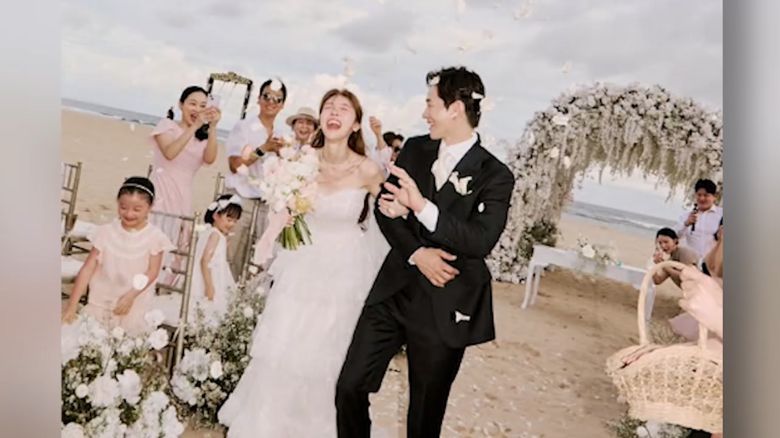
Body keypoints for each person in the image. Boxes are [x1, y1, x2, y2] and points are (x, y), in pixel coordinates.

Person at [336, 66, 515, 438]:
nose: (424, 113)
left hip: (447, 302)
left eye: (431, 104)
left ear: (455, 109)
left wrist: (420, 207)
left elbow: (480, 240)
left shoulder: (496, 175)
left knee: (423, 419)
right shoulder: (416, 149)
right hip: (393, 291)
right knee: (349, 387)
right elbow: (385, 209)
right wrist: (417, 253)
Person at [218, 89, 391, 437]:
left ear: (355, 123)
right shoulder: (301, 161)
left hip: (344, 270)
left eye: (344, 109)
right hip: (302, 264)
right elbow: (285, 207)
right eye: (329, 107)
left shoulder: (368, 169)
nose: (334, 113)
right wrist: (270, 237)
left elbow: (388, 218)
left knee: (328, 350)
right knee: (286, 345)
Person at [61, 177, 175, 336]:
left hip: (132, 306)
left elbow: (152, 272)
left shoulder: (155, 238)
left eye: (137, 209)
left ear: (150, 207)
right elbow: (87, 269)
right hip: (99, 305)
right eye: (123, 207)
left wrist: (130, 296)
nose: (129, 214)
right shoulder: (105, 232)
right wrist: (72, 306)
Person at [223, 78, 288, 279]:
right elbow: (235, 165)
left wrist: (281, 155)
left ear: (282, 105)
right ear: (259, 99)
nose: (271, 102)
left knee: (259, 262)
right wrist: (263, 149)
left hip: (266, 205)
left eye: (277, 99)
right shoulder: (244, 127)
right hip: (241, 199)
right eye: (267, 96)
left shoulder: (280, 134)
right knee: (230, 257)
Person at [149, 86, 221, 216]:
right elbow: (170, 153)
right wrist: (195, 126)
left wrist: (213, 127)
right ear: (181, 104)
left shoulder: (202, 139)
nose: (197, 109)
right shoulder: (167, 125)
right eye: (193, 104)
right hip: (160, 191)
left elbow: (210, 159)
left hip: (183, 197)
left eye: (203, 106)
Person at [190, 194, 243, 323]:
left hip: (213, 273)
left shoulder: (210, 231)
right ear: (216, 215)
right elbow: (205, 261)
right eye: (228, 219)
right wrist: (209, 286)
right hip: (212, 277)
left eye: (235, 221)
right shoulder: (215, 235)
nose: (231, 224)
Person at [675, 179, 723, 258]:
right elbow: (675, 237)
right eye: (699, 195)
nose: (702, 198)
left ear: (714, 196)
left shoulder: (722, 215)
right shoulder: (686, 216)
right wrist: (686, 224)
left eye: (706, 195)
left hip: (714, 262)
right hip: (691, 262)